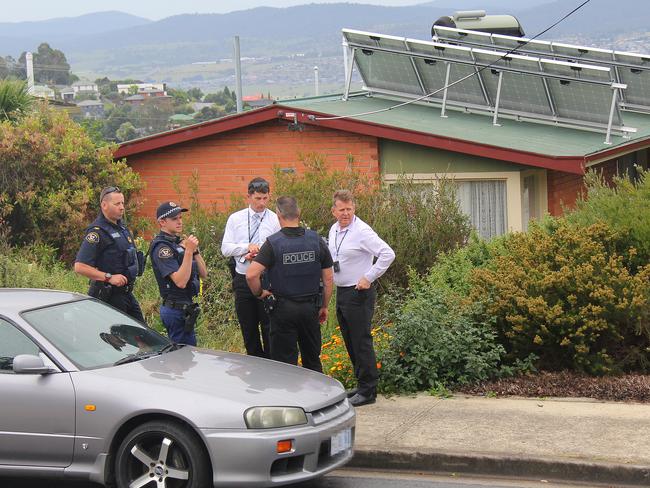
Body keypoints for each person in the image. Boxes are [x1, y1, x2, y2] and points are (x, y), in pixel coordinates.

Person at [246, 196, 333, 372]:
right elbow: (329, 278)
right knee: (312, 360)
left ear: (278, 214)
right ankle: (319, 397)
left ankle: (290, 399)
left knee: (285, 366)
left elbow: (251, 275)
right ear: (299, 213)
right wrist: (324, 306)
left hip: (282, 310)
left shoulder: (273, 243)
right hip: (310, 309)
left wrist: (259, 293)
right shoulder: (316, 239)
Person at [328, 190, 395, 406]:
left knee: (361, 341)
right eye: (342, 209)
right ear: (334, 211)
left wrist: (369, 276)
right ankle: (361, 384)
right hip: (342, 292)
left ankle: (369, 391)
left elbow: (387, 253)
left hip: (359, 293)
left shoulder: (362, 231)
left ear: (354, 208)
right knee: (349, 339)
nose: (345, 213)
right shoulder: (334, 230)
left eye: (349, 209)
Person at [221, 177, 281, 358]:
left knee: (270, 326)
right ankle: (255, 364)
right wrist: (245, 248)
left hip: (266, 279)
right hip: (243, 277)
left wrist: (263, 253)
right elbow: (225, 249)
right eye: (258, 199)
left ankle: (272, 366)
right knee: (248, 327)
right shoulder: (236, 218)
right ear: (248, 197)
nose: (262, 203)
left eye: (265, 198)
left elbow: (280, 247)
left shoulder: (274, 219)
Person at [74, 186, 145, 322]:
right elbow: (80, 266)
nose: (122, 207)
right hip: (109, 296)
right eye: (117, 204)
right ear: (104, 205)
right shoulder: (97, 232)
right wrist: (109, 277)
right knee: (117, 340)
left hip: (127, 294)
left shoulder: (123, 228)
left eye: (123, 203)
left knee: (144, 337)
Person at [150, 201, 208, 346]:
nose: (179, 222)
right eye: (174, 219)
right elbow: (180, 282)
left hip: (185, 308)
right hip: (174, 310)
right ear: (162, 222)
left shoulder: (178, 243)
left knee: (188, 354)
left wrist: (194, 251)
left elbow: (204, 273)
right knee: (183, 358)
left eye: (180, 218)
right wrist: (188, 251)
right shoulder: (162, 248)